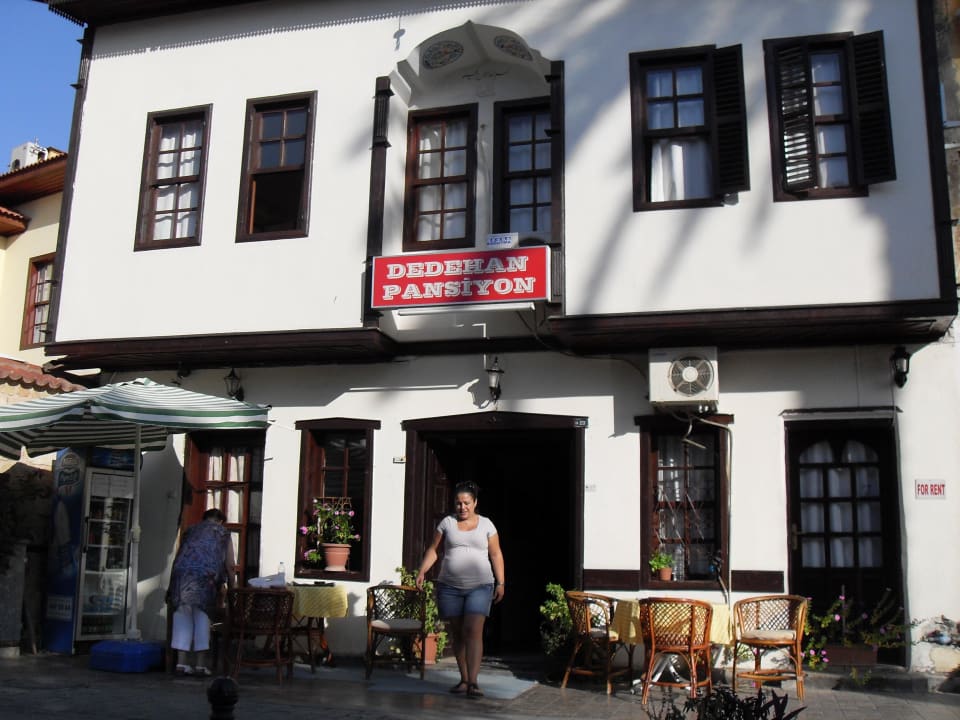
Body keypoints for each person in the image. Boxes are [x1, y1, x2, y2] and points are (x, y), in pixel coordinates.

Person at [416, 481, 505, 699]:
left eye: (466, 503)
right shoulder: (447, 523)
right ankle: (464, 680)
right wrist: (422, 571)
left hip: (480, 586)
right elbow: (433, 549)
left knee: (473, 630)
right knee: (458, 633)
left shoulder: (487, 525)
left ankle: (474, 682)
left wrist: (501, 582)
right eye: (458, 503)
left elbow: (496, 554)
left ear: (475, 503)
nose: (462, 507)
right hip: (449, 587)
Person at [168, 508, 236, 676]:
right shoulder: (223, 533)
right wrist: (232, 587)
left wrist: (170, 587)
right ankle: (200, 665)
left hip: (181, 577)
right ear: (220, 521)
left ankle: (181, 663)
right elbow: (230, 564)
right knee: (202, 617)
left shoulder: (191, 530)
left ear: (204, 518)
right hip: (205, 579)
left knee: (182, 615)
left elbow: (178, 557)